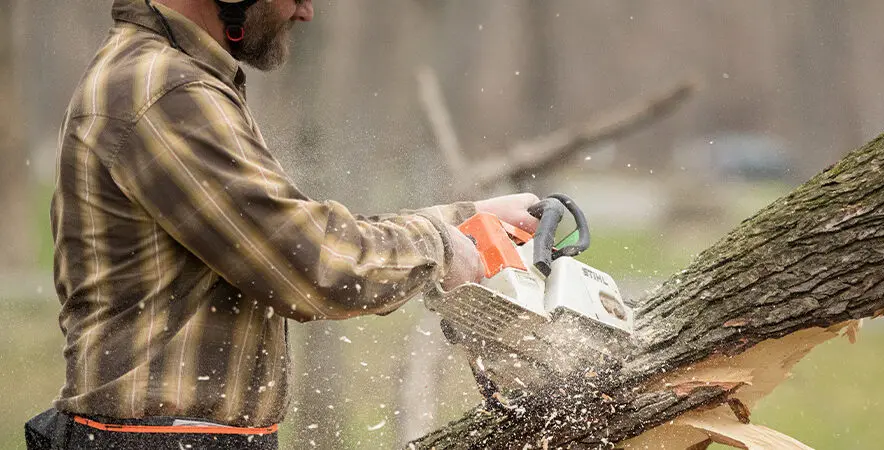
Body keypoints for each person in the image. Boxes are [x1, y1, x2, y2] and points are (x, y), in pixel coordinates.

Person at [25, 0, 540, 448]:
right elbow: (309, 264)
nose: (305, 11)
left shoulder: (177, 79)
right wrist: (441, 246)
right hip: (159, 438)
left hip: (178, 434)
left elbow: (289, 229)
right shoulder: (162, 91)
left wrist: (467, 220)